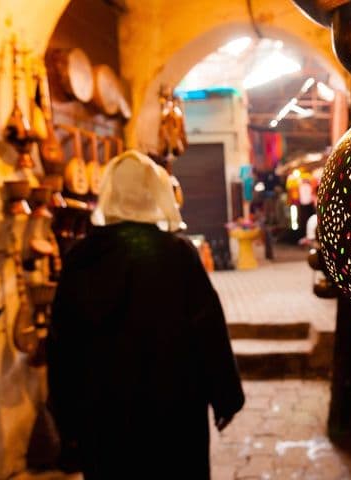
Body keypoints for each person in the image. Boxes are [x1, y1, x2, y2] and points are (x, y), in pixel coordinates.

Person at [48, 150, 244, 479]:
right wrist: (225, 395)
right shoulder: (177, 255)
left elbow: (62, 343)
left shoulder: (81, 258)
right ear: (155, 194)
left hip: (104, 414)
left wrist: (65, 416)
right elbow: (208, 330)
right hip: (173, 410)